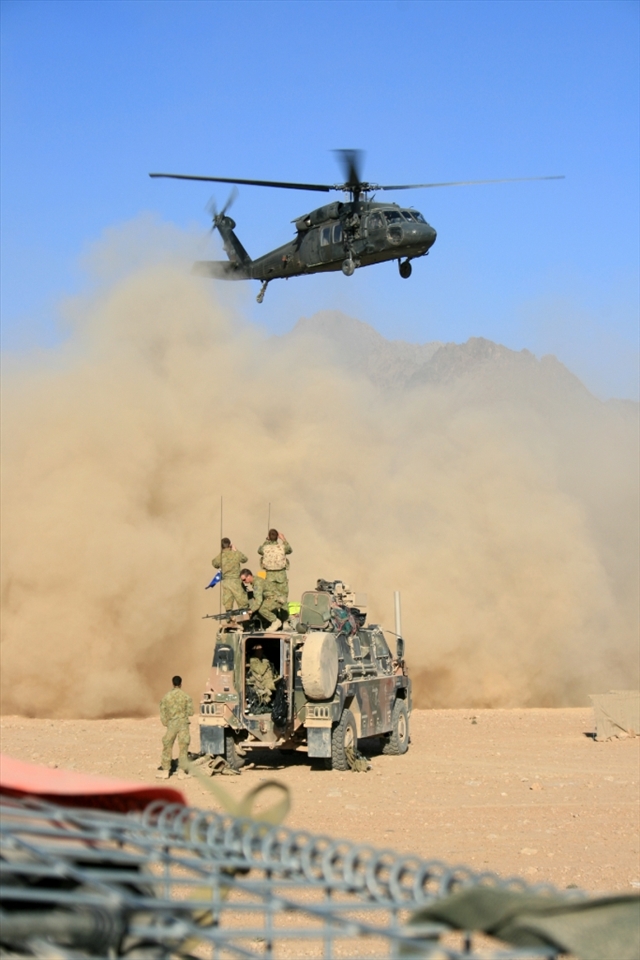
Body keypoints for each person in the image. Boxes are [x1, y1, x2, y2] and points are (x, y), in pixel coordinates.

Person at [156, 676, 194, 780]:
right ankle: (181, 772)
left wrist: (166, 723)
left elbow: (162, 711)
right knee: (183, 748)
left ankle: (165, 772)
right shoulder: (186, 696)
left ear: (172, 683)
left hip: (171, 724)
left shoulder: (166, 697)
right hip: (183, 725)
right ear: (181, 684)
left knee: (167, 745)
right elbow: (191, 712)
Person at [212, 537, 249, 614]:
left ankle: (229, 620)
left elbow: (214, 564)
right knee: (242, 604)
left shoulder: (221, 556)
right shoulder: (235, 554)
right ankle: (244, 620)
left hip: (226, 583)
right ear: (230, 545)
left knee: (228, 605)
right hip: (236, 582)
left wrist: (222, 553)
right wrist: (235, 550)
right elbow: (245, 559)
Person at [257, 529, 292, 606]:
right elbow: (289, 549)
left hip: (269, 576)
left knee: (269, 598)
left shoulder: (265, 548)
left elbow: (259, 551)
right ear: (277, 537)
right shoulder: (282, 547)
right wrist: (283, 539)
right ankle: (284, 616)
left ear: (269, 536)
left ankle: (271, 615)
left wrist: (267, 540)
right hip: (281, 575)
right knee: (283, 598)